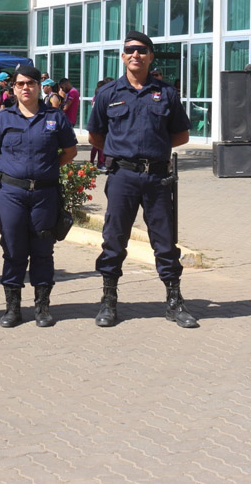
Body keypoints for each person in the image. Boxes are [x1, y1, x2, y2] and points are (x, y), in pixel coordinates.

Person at [86, 31, 198, 329]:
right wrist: (121, 151)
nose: (135, 54)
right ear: (123, 56)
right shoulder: (109, 94)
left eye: (142, 50)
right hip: (122, 175)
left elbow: (181, 134)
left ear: (150, 56)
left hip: (157, 177)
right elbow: (95, 135)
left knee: (165, 240)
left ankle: (174, 302)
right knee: (114, 239)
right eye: (130, 50)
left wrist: (155, 148)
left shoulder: (166, 93)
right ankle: (109, 301)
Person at [0, 65, 77, 328]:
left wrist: (47, 169)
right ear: (13, 88)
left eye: (31, 83)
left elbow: (70, 152)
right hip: (11, 193)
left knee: (43, 249)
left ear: (39, 86)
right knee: (13, 248)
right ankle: (12, 308)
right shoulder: (2, 119)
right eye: (20, 83)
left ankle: (42, 307)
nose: (26, 88)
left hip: (45, 193)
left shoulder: (55, 117)